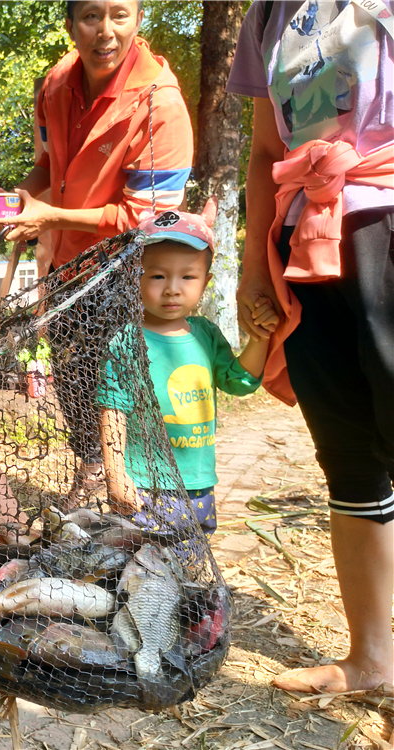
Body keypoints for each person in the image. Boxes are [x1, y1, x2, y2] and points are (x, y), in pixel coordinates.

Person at [227, 0, 394, 695]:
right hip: (309, 248)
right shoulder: (267, 14)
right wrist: (248, 268)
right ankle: (372, 662)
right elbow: (268, 150)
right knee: (349, 457)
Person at [0, 0, 194, 501]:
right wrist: (19, 202)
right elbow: (48, 168)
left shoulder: (159, 106)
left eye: (119, 15)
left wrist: (50, 217)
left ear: (139, 18)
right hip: (64, 267)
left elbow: (149, 221)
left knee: (114, 386)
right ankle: (90, 476)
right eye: (90, 16)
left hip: (124, 275)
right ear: (70, 24)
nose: (105, 32)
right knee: (70, 375)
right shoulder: (56, 83)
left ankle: (133, 489)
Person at [99, 206, 278, 554]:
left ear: (206, 281)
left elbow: (240, 381)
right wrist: (115, 473)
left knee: (191, 562)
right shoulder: (126, 340)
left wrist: (261, 338)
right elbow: (112, 409)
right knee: (141, 567)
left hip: (197, 483)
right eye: (157, 277)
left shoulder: (206, 336)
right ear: (135, 278)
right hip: (144, 485)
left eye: (188, 277)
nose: (172, 290)